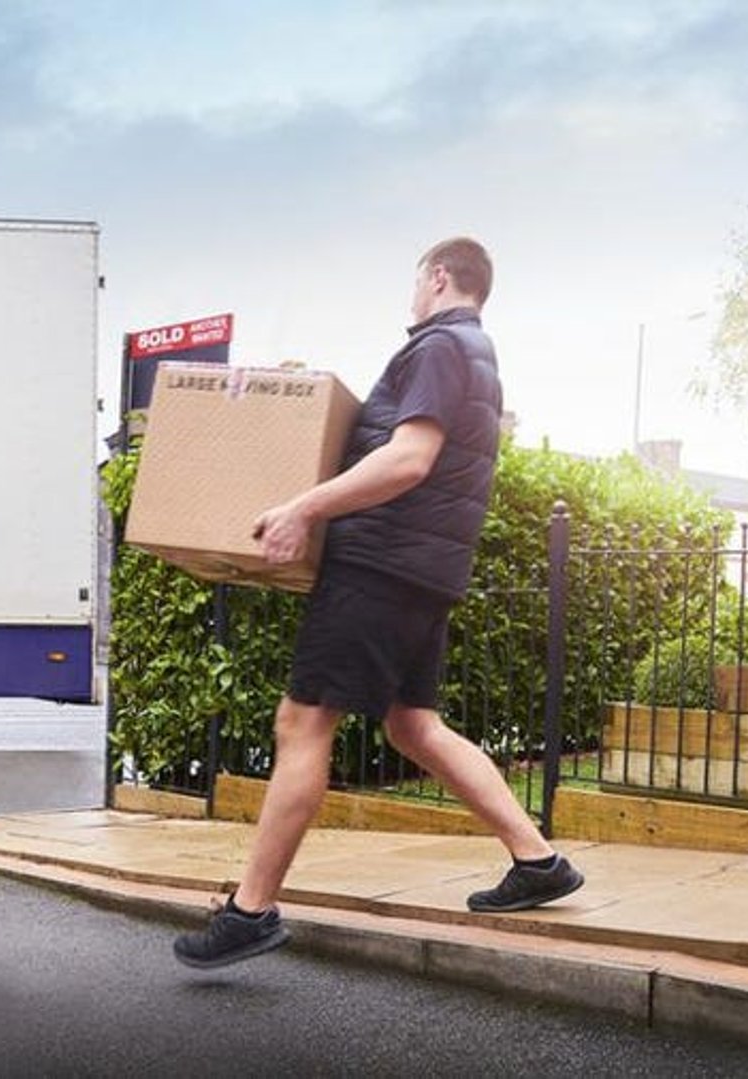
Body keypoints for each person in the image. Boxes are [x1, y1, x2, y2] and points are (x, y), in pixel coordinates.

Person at [173, 238, 583, 970]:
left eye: (414, 283)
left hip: (380, 564)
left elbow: (408, 457)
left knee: (302, 720)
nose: (410, 298)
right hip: (424, 569)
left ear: (437, 277)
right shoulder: (473, 354)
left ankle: (251, 908)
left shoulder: (439, 346)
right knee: (413, 723)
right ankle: (538, 858)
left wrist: (303, 506)